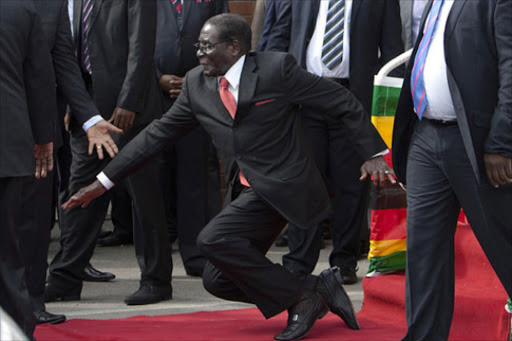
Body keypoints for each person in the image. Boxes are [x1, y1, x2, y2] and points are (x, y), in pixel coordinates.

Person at [62, 13, 396, 341]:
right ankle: (315, 289)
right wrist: (103, 181)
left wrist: (372, 153)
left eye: (207, 46)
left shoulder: (276, 69)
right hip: (246, 188)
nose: (199, 53)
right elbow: (155, 137)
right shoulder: (196, 84)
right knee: (218, 281)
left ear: (234, 47)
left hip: (284, 185)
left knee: (213, 239)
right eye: (198, 46)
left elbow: (341, 100)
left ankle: (303, 300)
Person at [391, 0, 512, 339]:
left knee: (503, 241)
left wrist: (503, 142)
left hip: (476, 142)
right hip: (425, 136)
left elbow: (510, 66)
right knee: (424, 253)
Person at [265, 0, 404, 284]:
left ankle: (344, 261)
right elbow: (280, 36)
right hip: (305, 96)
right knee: (303, 181)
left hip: (352, 98)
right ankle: (299, 261)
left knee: (350, 185)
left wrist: (387, 103)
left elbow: (392, 49)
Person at [45, 0, 172, 306]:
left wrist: (128, 101)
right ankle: (65, 278)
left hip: (128, 110)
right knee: (79, 193)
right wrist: (72, 104)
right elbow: (66, 51)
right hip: (87, 113)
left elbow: (141, 46)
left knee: (144, 197)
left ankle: (156, 280)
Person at [154, 0, 226, 277]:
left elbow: (225, 37)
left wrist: (196, 78)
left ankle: (196, 255)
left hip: (200, 95)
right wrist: (157, 76)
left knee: (194, 178)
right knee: (155, 178)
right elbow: (134, 40)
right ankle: (156, 264)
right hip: (153, 96)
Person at [0, 1, 57, 337]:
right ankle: (19, 331)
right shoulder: (21, 10)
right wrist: (44, 137)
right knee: (7, 252)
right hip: (8, 144)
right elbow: (39, 78)